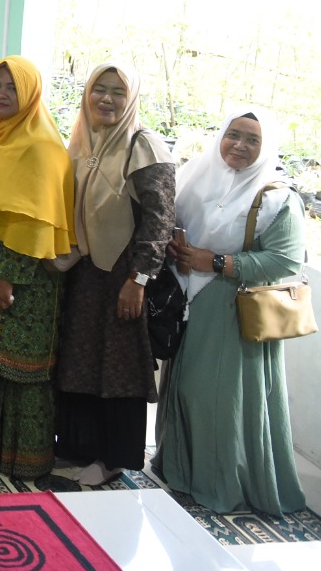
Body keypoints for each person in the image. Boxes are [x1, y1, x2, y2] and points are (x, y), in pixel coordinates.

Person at [156, 107, 306, 515]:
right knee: (184, 391)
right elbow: (172, 223)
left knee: (218, 400)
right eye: (233, 134)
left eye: (252, 139)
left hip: (231, 310)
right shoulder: (194, 177)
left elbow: (286, 263)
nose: (239, 146)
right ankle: (181, 471)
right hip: (188, 301)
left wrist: (219, 262)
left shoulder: (277, 198)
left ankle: (221, 485)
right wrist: (175, 247)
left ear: (266, 147)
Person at [0, 58, 73, 480]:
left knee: (23, 373)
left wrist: (6, 276)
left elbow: (34, 220)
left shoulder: (40, 147)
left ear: (30, 94)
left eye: (11, 87)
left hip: (20, 279)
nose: (1, 94)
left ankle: (26, 460)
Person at [56, 64, 176, 486]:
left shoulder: (144, 145)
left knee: (119, 366)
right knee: (82, 358)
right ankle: (81, 447)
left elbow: (160, 220)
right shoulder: (82, 139)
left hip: (123, 274)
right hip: (86, 270)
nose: (106, 100)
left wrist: (138, 280)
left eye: (117, 93)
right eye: (98, 90)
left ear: (132, 99)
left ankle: (115, 458)